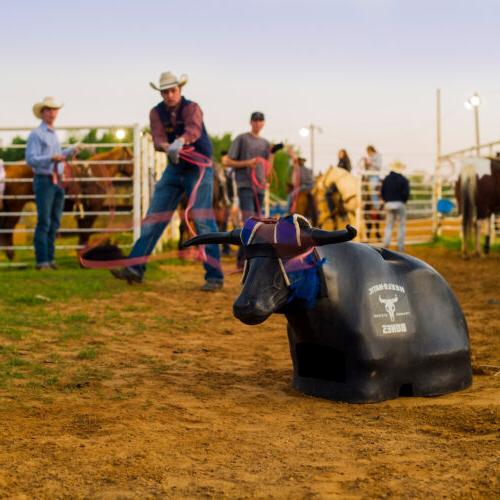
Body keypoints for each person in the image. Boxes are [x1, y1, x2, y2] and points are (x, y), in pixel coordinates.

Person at [111, 71, 224, 291]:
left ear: (179, 90)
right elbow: (158, 138)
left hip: (199, 168)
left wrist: (180, 141)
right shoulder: (156, 113)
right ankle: (135, 268)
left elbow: (194, 129)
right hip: (175, 168)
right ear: (161, 93)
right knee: (154, 218)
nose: (169, 94)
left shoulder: (192, 108)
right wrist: (167, 147)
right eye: (165, 91)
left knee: (202, 220)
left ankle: (215, 276)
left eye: (172, 90)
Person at [26, 97, 79, 270]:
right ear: (42, 113)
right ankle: (42, 260)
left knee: (54, 221)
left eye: (54, 110)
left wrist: (69, 151)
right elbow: (31, 159)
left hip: (57, 181)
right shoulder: (36, 134)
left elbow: (57, 156)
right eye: (48, 110)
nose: (52, 113)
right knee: (45, 221)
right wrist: (51, 158)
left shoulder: (53, 134)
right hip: (45, 180)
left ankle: (49, 259)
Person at [224, 111, 270, 221]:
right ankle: (247, 238)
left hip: (260, 186)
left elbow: (268, 170)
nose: (258, 123)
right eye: (255, 120)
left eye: (260, 121)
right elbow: (227, 162)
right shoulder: (242, 138)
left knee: (259, 220)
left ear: (263, 123)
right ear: (250, 122)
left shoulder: (266, 143)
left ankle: (257, 238)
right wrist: (247, 163)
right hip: (245, 184)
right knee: (249, 219)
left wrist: (272, 154)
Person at [381, 160, 410, 252]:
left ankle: (386, 245)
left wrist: (387, 201)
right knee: (401, 225)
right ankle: (400, 247)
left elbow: (382, 192)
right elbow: (406, 193)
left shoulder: (386, 179)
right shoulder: (403, 179)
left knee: (389, 225)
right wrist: (402, 201)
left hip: (389, 204)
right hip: (400, 203)